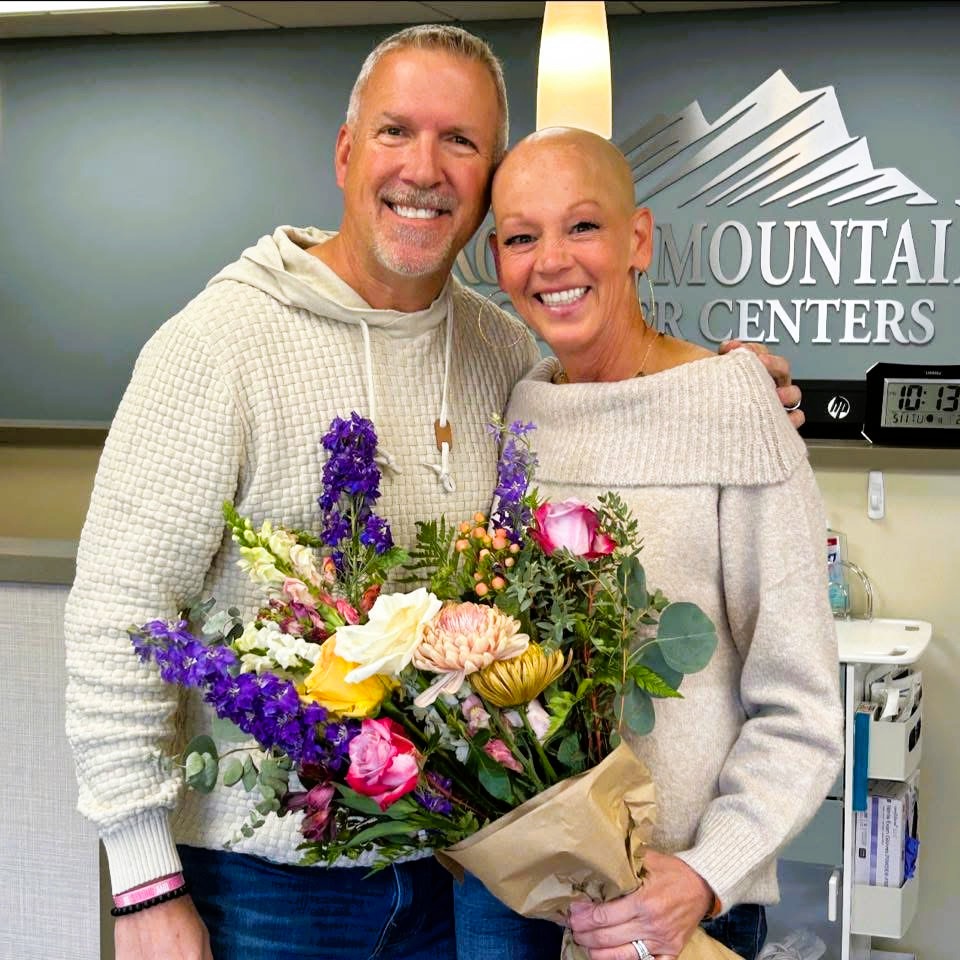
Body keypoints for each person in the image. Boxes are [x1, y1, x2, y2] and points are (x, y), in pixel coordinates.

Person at [64, 25, 805, 960]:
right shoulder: (217, 346)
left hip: (463, 880)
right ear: (344, 151)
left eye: (460, 142)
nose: (425, 167)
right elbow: (116, 621)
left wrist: (729, 387)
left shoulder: (502, 355)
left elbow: (611, 400)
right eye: (395, 131)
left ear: (487, 180)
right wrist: (142, 887)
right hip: (268, 889)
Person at [479, 127, 844, 960]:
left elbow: (801, 703)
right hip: (510, 903)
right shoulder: (522, 407)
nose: (551, 261)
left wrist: (708, 872)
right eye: (521, 237)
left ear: (637, 238)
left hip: (674, 907)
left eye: (582, 227)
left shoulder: (734, 406)